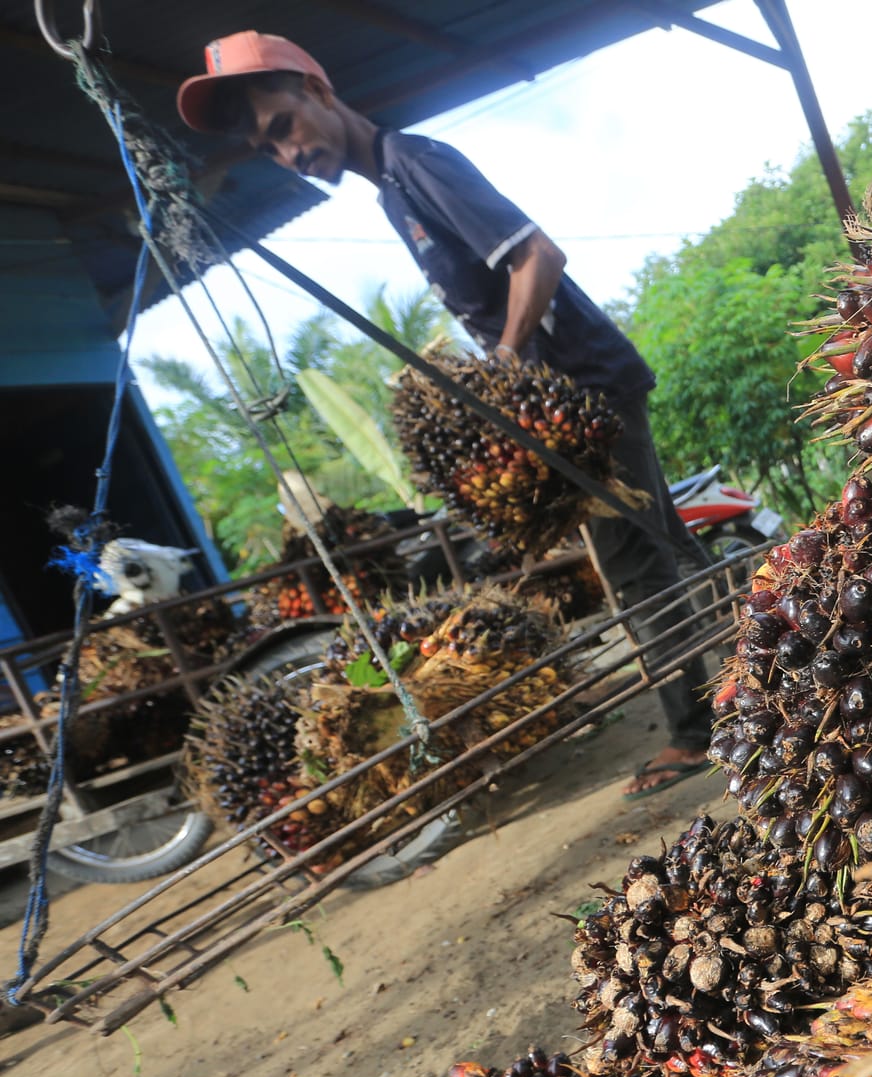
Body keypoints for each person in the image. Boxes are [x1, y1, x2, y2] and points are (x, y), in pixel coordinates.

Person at [178, 32, 712, 798]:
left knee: (635, 565)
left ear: (319, 92)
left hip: (585, 392)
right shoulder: (393, 189)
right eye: (269, 149)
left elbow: (540, 258)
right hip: (566, 402)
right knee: (653, 544)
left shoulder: (419, 164)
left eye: (284, 127)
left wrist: (500, 364)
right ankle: (755, 659)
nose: (288, 154)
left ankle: (696, 735)